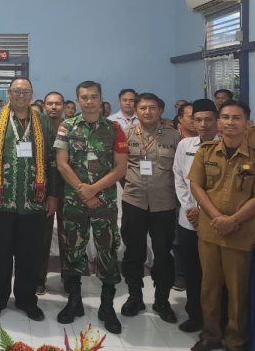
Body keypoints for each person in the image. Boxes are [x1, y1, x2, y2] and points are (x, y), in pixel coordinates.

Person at [189, 100, 255, 351]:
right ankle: (210, 335)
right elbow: (196, 185)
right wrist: (217, 217)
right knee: (209, 287)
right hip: (210, 230)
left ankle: (235, 340)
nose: (230, 122)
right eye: (225, 117)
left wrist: (233, 220)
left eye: (236, 118)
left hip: (239, 233)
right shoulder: (206, 151)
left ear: (247, 123)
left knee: (237, 290)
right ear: (218, 122)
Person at [0, 77, 59, 322]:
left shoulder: (43, 121)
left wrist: (53, 195)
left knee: (30, 256)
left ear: (31, 94)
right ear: (9, 93)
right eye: (16, 91)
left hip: (34, 202)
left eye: (25, 91)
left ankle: (26, 300)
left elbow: (52, 159)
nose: (21, 95)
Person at [54, 81, 127, 334]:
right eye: (84, 97)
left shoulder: (114, 128)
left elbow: (121, 167)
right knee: (73, 248)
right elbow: (62, 164)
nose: (89, 101)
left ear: (101, 98)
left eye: (93, 97)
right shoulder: (66, 126)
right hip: (75, 200)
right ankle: (74, 300)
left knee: (107, 249)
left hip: (104, 201)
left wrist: (93, 190)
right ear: (77, 100)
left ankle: (107, 306)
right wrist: (82, 190)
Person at [120, 92, 180, 323]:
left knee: (163, 254)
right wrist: (131, 186)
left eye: (152, 108)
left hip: (164, 203)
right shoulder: (125, 134)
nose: (147, 112)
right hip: (134, 202)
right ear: (136, 111)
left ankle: (162, 300)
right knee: (133, 252)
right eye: (143, 108)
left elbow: (179, 170)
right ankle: (134, 297)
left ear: (160, 110)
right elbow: (120, 167)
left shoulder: (174, 136)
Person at [173, 98, 218, 334]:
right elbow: (179, 177)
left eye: (208, 120)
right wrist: (190, 207)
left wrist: (203, 211)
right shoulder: (185, 145)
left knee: (213, 273)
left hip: (214, 219)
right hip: (188, 219)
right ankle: (194, 314)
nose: (203, 124)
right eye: (198, 120)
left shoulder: (224, 145)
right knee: (192, 270)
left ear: (216, 121)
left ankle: (216, 318)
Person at [37, 91, 66, 295]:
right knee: (42, 237)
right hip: (43, 189)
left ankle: (68, 278)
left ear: (63, 106)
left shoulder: (71, 127)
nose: (54, 107)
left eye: (57, 103)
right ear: (44, 106)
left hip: (68, 187)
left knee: (68, 236)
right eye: (50, 103)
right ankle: (39, 278)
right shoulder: (37, 126)